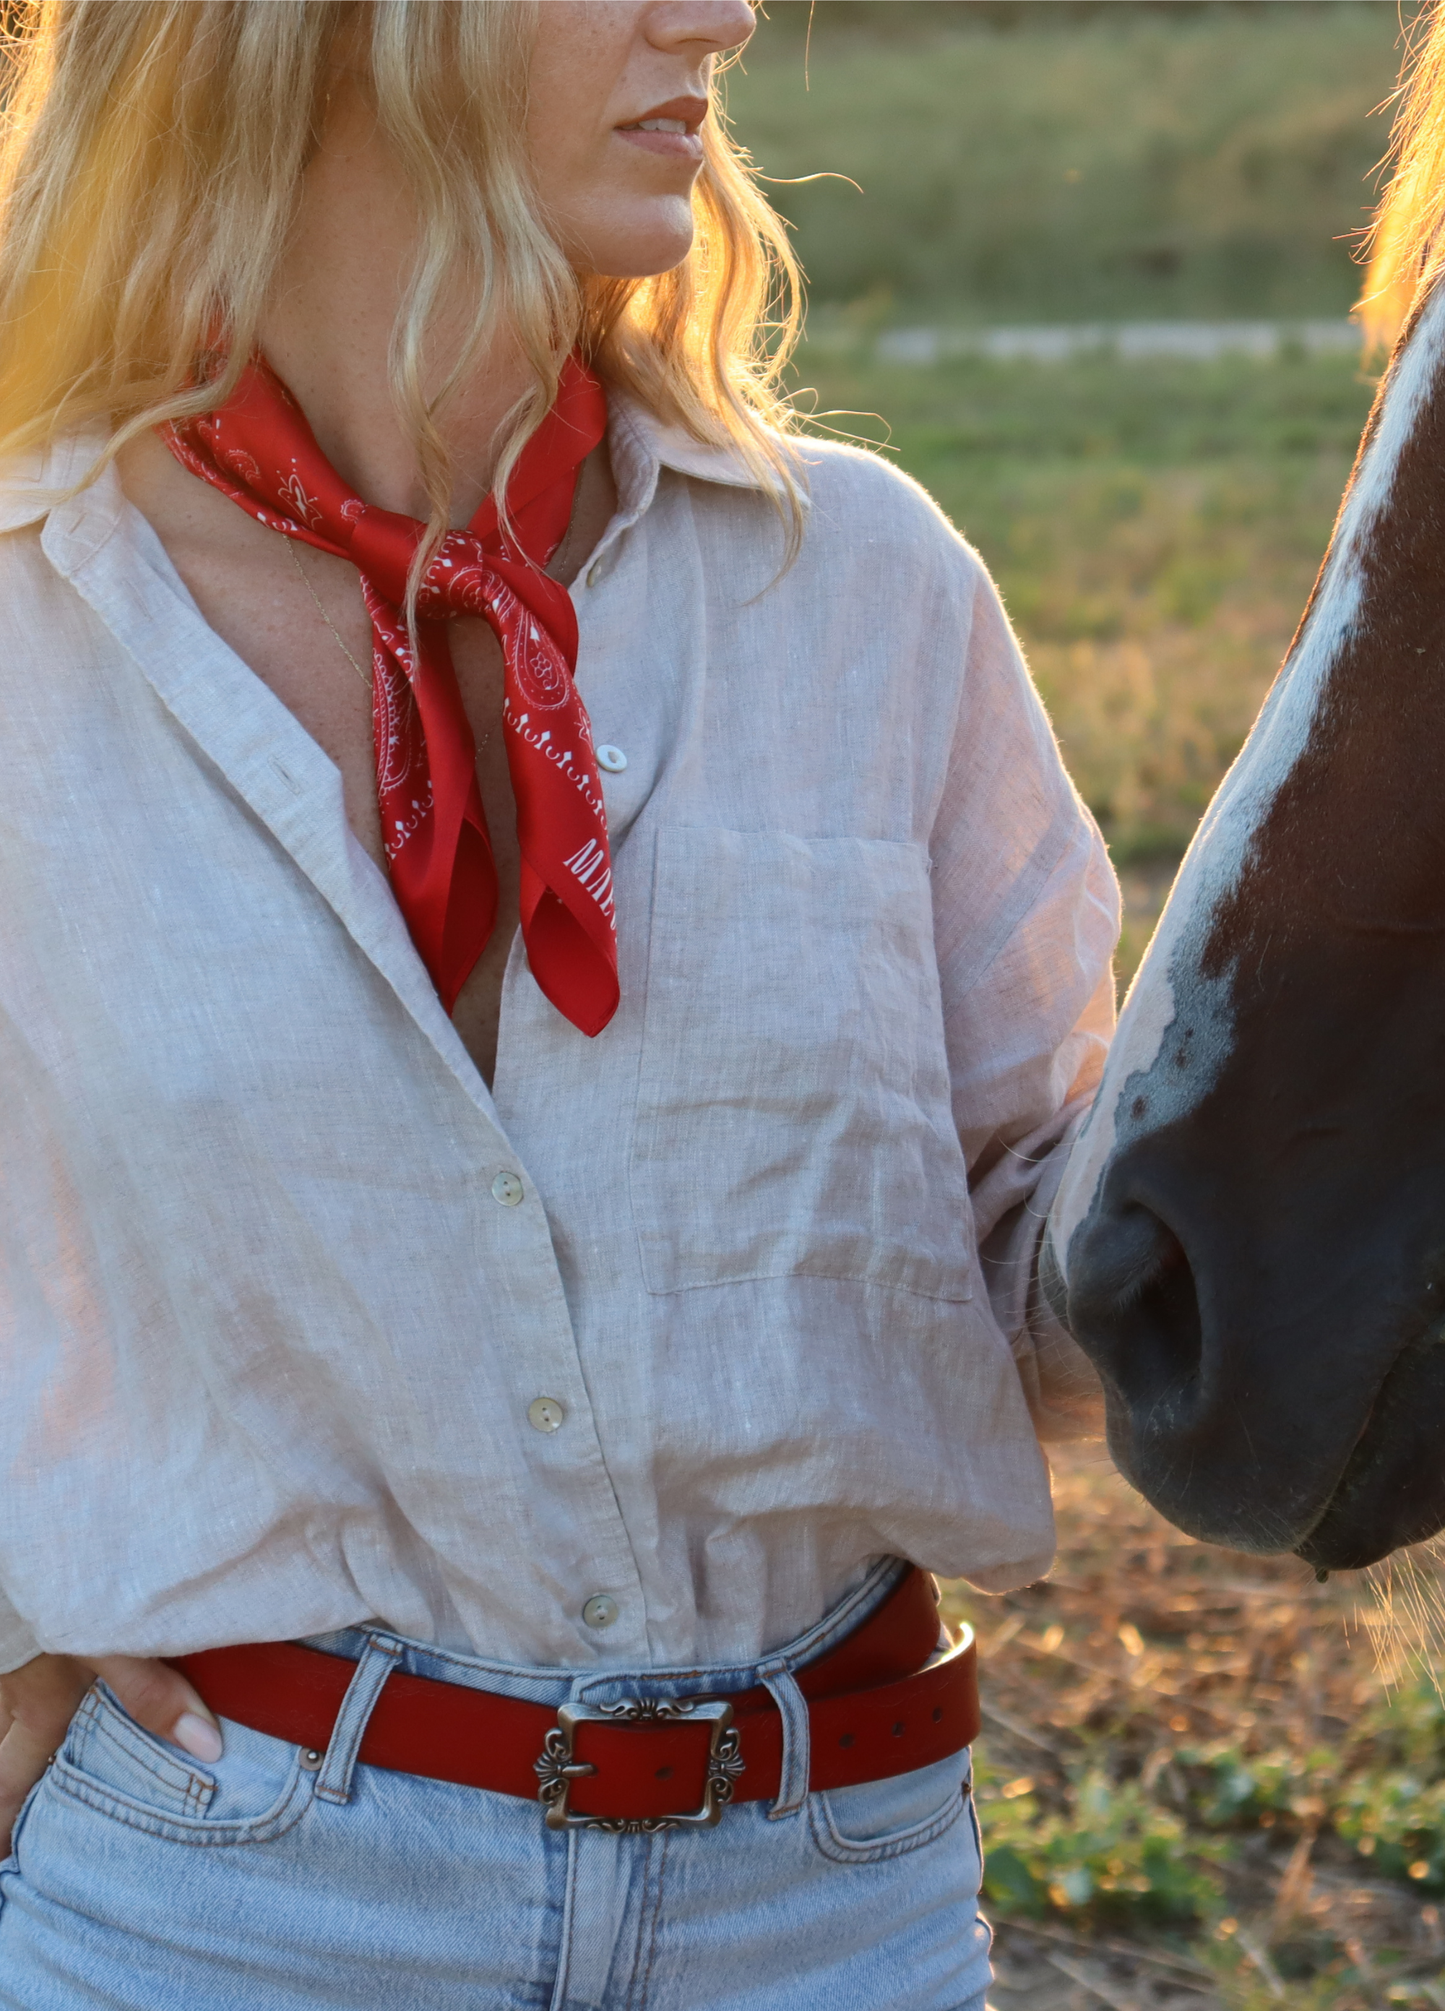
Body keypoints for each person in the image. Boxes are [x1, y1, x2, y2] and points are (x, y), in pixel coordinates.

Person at [0, 3, 1119, 2005]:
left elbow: (1036, 1240)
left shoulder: (858, 587)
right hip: (227, 1898)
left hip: (829, 1900)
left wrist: (1304, 1135)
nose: (722, 14)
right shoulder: (24, 628)